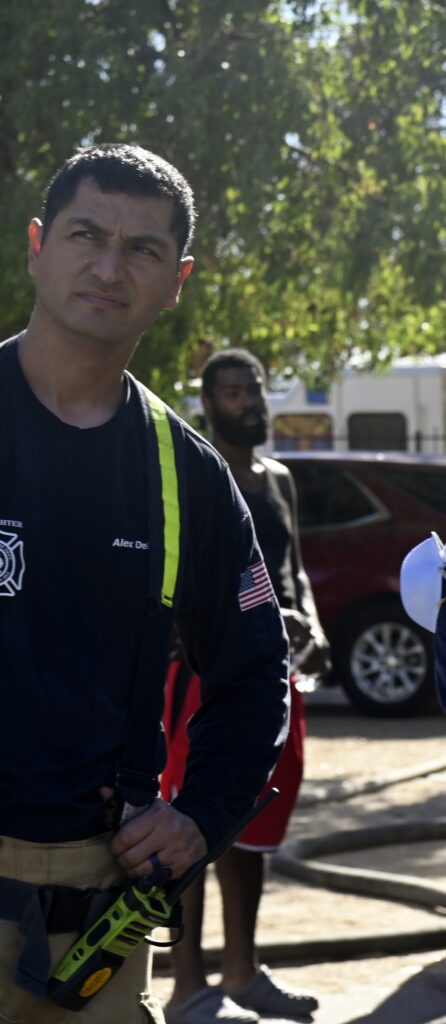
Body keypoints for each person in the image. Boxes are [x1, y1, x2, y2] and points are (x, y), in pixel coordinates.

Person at [0, 146, 290, 1024]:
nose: (108, 267)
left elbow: (256, 671)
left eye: (143, 249)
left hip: (97, 922)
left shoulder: (189, 475)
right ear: (38, 246)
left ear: (177, 282)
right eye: (86, 235)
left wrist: (201, 814)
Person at [161, 349, 331, 1024]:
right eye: (234, 392)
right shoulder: (194, 474)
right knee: (190, 824)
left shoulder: (279, 478)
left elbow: (295, 570)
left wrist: (312, 626)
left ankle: (241, 973)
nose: (249, 402)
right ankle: (187, 987)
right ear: (208, 404)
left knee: (253, 822)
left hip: (276, 675)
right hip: (204, 675)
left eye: (254, 389)